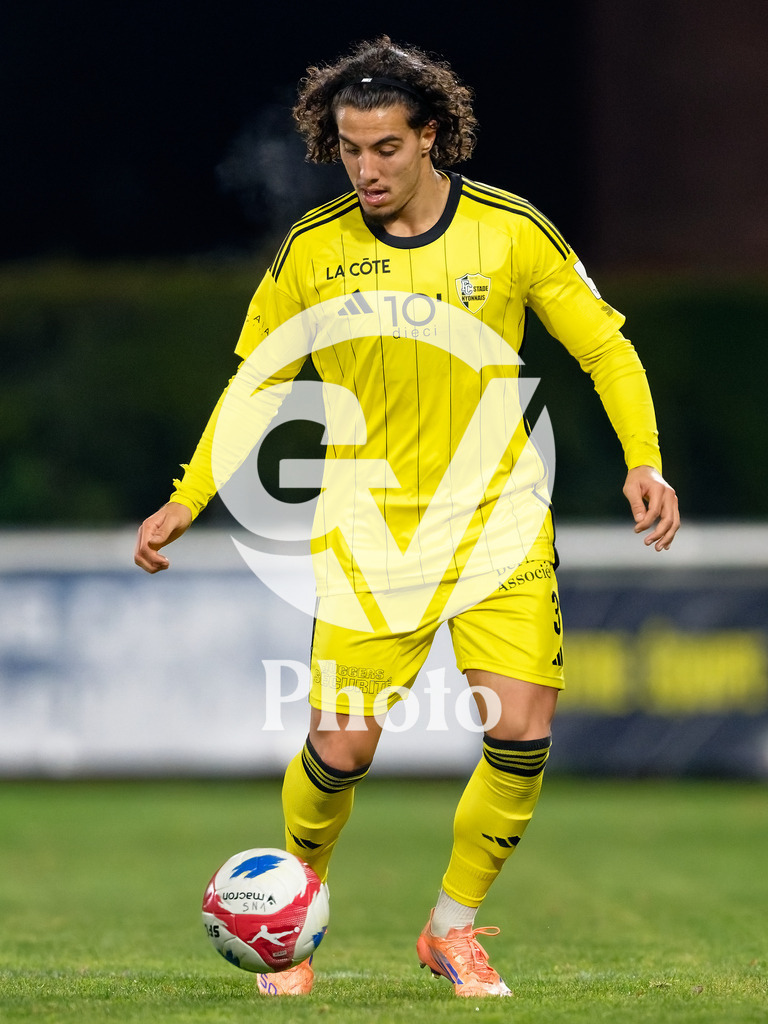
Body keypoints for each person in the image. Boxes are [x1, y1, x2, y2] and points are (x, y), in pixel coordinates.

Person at [134, 36, 679, 998]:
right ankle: (293, 919)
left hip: (499, 527)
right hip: (369, 538)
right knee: (342, 749)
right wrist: (190, 496)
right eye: (349, 148)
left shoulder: (511, 232)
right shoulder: (315, 250)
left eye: (385, 147)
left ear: (430, 137)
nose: (366, 168)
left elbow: (607, 348)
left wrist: (645, 460)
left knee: (518, 732)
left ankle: (452, 929)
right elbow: (256, 385)